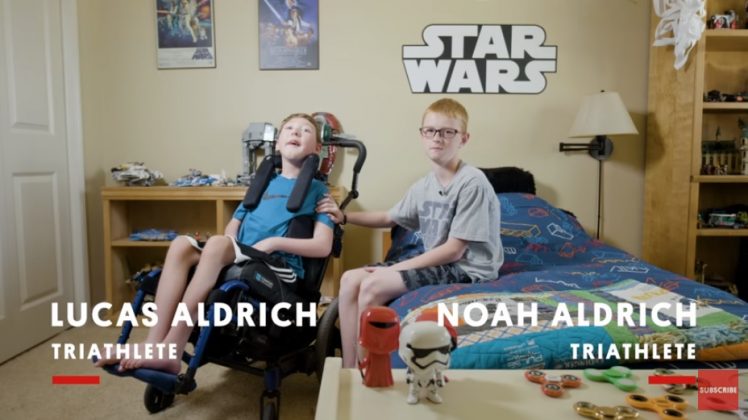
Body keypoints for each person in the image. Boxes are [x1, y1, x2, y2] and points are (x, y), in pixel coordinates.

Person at [95, 113, 335, 374]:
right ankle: (153, 343)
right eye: (289, 128)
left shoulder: (318, 191)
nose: (296, 132)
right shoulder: (263, 184)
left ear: (317, 149)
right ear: (277, 143)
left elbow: (323, 245)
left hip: (279, 268)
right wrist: (228, 243)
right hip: (244, 255)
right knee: (181, 245)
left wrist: (273, 242)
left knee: (218, 244)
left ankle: (172, 347)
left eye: (305, 130)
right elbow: (234, 225)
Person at [317, 98, 504, 368]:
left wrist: (393, 270)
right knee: (349, 280)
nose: (437, 138)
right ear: (422, 135)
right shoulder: (423, 186)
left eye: (447, 132)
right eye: (430, 130)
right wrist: (345, 217)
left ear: (463, 139)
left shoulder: (472, 182)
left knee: (372, 285)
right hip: (441, 262)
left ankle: (367, 371)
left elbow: (454, 251)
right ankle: (348, 368)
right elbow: (389, 218)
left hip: (468, 268)